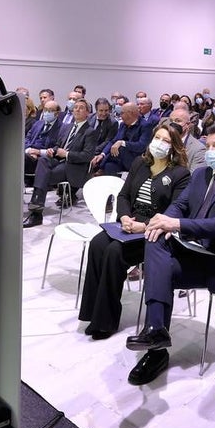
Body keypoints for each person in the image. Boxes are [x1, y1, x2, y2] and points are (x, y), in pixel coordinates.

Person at [124, 125, 215, 385]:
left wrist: (175, 225)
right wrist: (165, 220)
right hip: (192, 251)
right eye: (207, 146)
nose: (210, 151)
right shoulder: (200, 175)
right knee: (154, 241)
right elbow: (179, 205)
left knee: (158, 265)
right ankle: (156, 332)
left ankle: (156, 344)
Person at [78, 123, 190, 339]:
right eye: (157, 138)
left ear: (174, 147)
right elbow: (124, 196)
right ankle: (92, 313)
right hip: (129, 223)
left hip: (153, 232)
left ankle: (106, 321)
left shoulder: (180, 174)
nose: (160, 143)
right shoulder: (141, 162)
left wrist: (145, 225)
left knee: (114, 253)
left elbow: (175, 212)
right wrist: (124, 217)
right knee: (98, 244)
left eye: (166, 141)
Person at [23, 99, 99, 228]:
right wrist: (53, 150)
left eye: (81, 108)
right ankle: (36, 208)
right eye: (75, 107)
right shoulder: (67, 126)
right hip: (58, 159)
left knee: (45, 175)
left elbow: (87, 156)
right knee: (42, 161)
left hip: (74, 165)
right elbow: (58, 145)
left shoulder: (90, 132)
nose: (77, 110)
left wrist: (67, 154)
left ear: (87, 113)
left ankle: (36, 210)